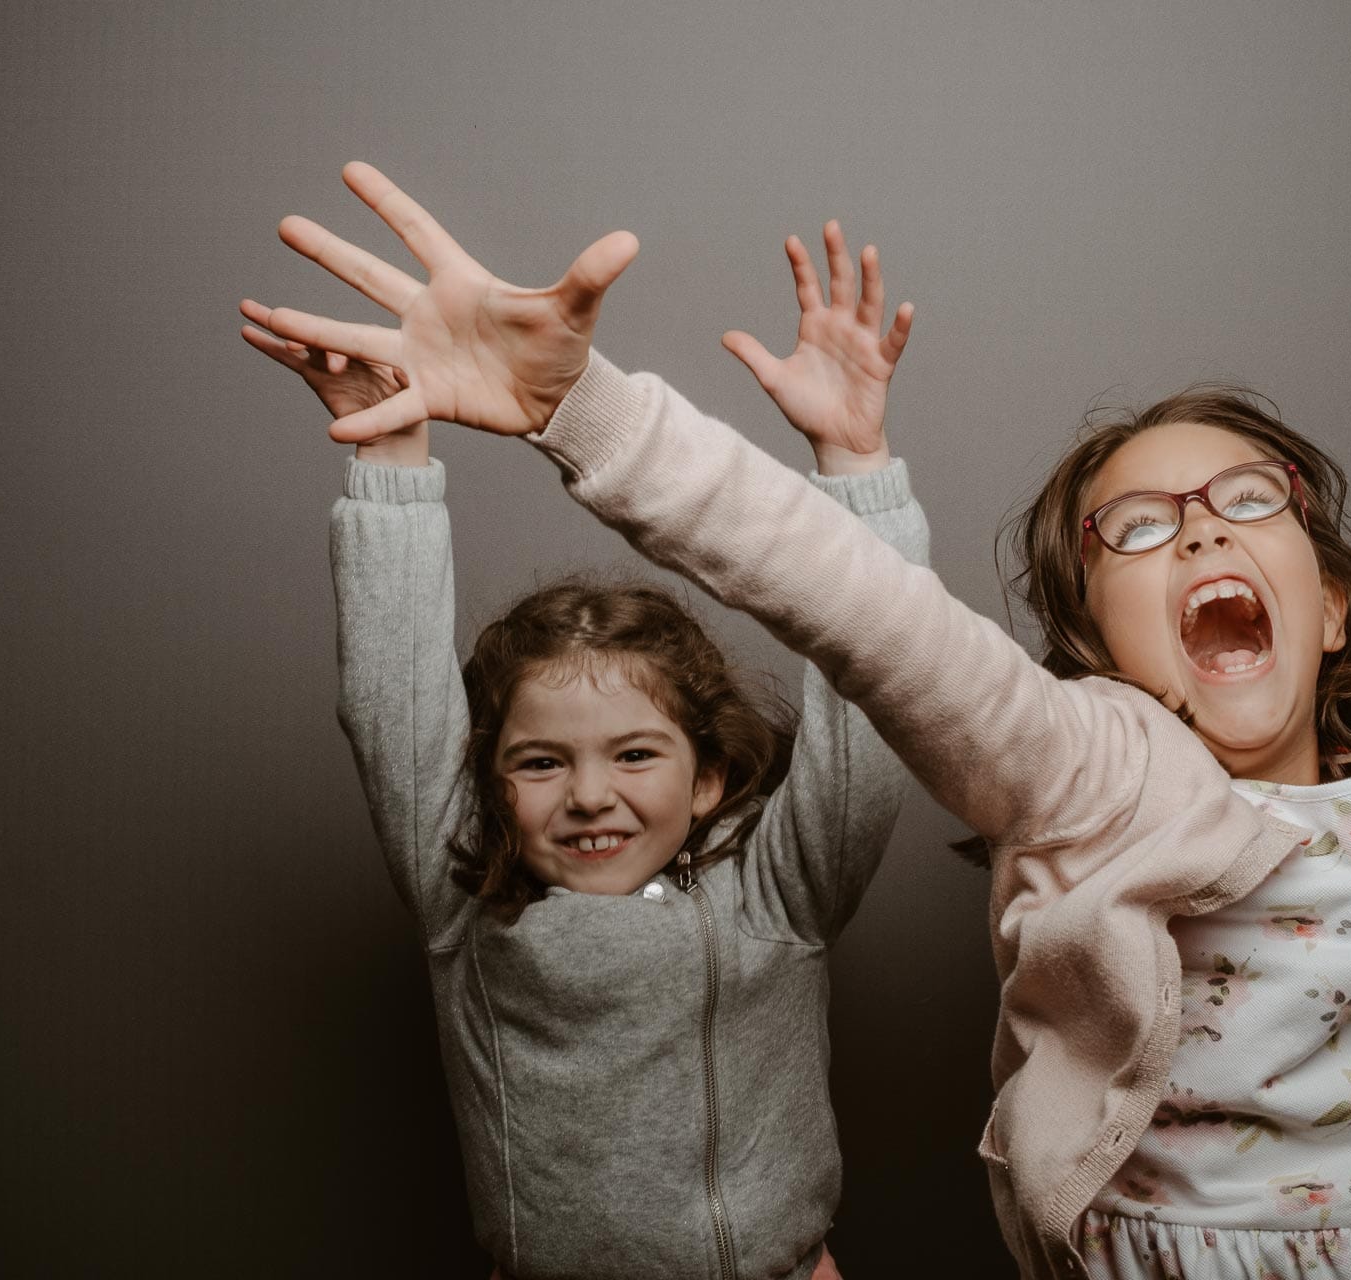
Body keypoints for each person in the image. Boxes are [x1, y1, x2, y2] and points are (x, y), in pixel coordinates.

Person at [249, 161, 1351, 1279]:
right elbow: (851, 607)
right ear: (1090, 647)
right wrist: (586, 408)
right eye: (1139, 531)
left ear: (1330, 603)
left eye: (1248, 503)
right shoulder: (1091, 766)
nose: (1195, 532)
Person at [239, 212, 927, 1280]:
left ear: (707, 777)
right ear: (490, 778)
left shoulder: (774, 894)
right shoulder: (466, 895)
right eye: (540, 760)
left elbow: (878, 690)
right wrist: (387, 456)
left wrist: (855, 464)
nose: (588, 795)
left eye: (636, 755)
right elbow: (391, 699)